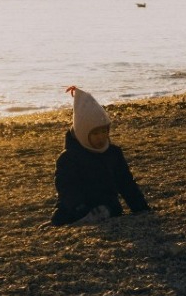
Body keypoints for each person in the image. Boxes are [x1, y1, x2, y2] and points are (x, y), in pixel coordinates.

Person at [50, 86, 150, 225]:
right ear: (84, 133)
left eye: (104, 132)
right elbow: (66, 189)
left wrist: (141, 208)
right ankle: (79, 219)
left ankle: (93, 216)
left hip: (106, 205)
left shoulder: (113, 153)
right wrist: (81, 209)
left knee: (110, 208)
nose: (101, 137)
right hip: (76, 207)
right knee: (62, 217)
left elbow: (126, 183)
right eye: (95, 133)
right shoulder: (69, 158)